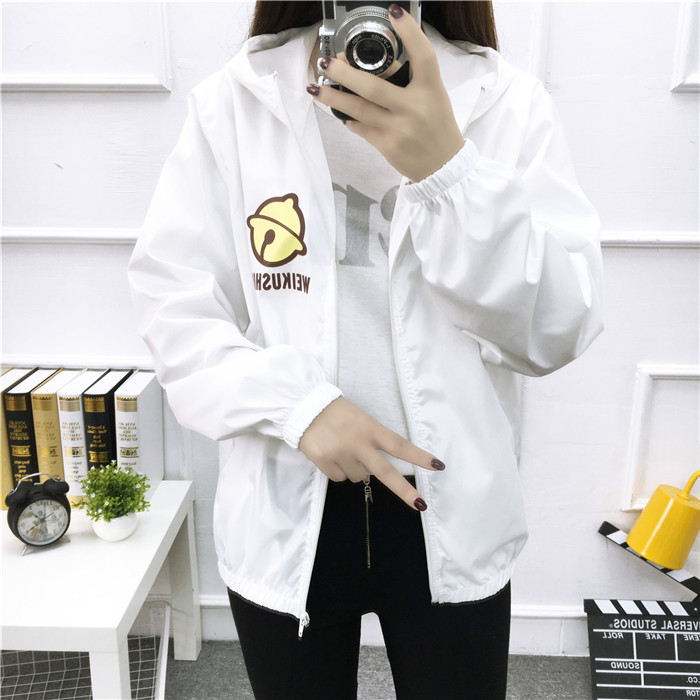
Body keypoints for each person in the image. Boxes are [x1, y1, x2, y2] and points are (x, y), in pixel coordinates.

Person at [128, 2, 604, 697]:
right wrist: (298, 405)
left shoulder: (505, 102)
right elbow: (174, 307)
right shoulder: (238, 100)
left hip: (447, 505)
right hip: (288, 496)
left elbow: (558, 327)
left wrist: (448, 169)